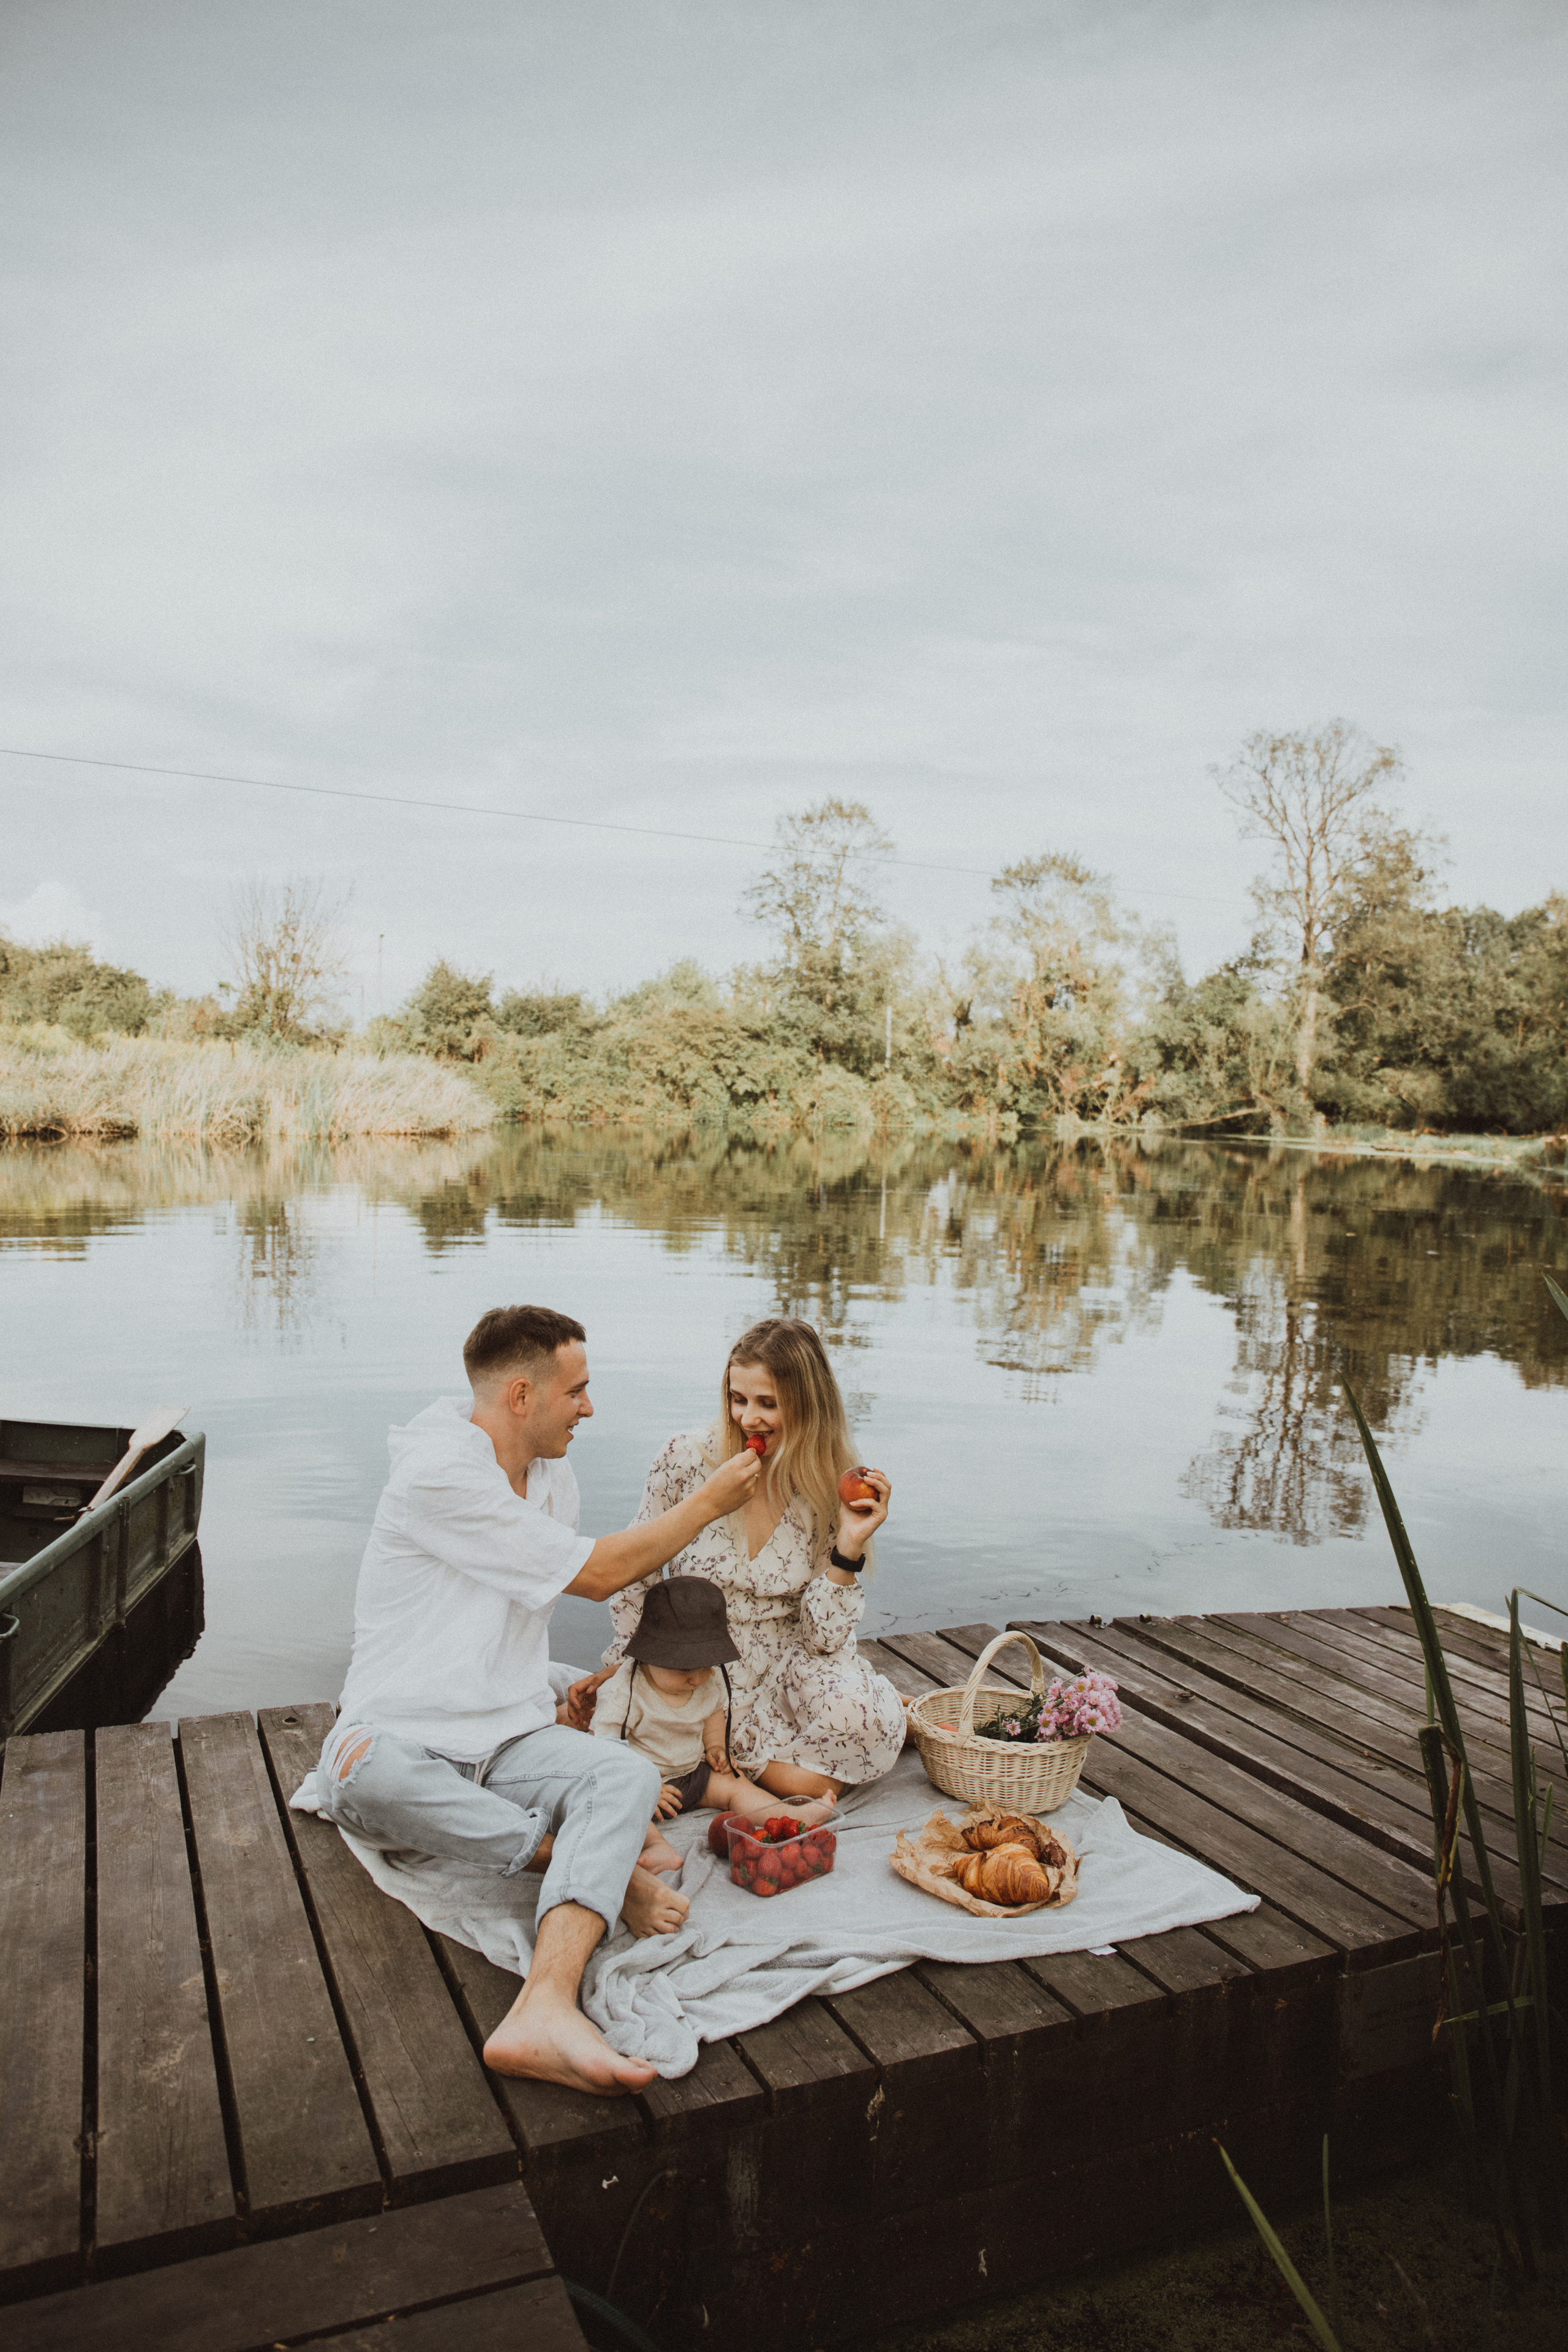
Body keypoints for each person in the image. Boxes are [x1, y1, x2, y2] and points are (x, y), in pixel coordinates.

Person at [314, 1303, 761, 2100]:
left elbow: (505, 1612)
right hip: (403, 1734)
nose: (590, 1408)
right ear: (521, 1396)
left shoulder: (555, 1478)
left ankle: (545, 2006)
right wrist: (707, 1504)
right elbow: (595, 1576)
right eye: (577, 1391)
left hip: (506, 1737)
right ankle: (597, 1862)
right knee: (358, 1778)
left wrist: (551, 1694)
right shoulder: (438, 1474)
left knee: (621, 1780)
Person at [570, 1318, 906, 1803]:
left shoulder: (824, 1482)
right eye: (739, 1398)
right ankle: (895, 1718)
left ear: (808, 1403)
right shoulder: (685, 1460)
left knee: (860, 1724)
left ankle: (894, 1716)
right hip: (699, 1664)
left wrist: (849, 1547)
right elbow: (635, 1574)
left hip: (788, 1664)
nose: (748, 1418)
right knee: (799, 1785)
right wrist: (628, 1663)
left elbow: (823, 1638)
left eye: (769, 1403)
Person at [590, 1575, 835, 1828]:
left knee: (736, 1787)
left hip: (694, 1774)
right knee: (613, 1809)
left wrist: (715, 1746)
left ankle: (790, 1817)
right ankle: (652, 1848)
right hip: (645, 1782)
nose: (697, 1678)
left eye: (706, 1665)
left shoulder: (708, 1680)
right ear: (649, 1655)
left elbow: (712, 1713)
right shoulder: (626, 1691)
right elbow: (604, 1747)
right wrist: (640, 1787)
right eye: (685, 1669)